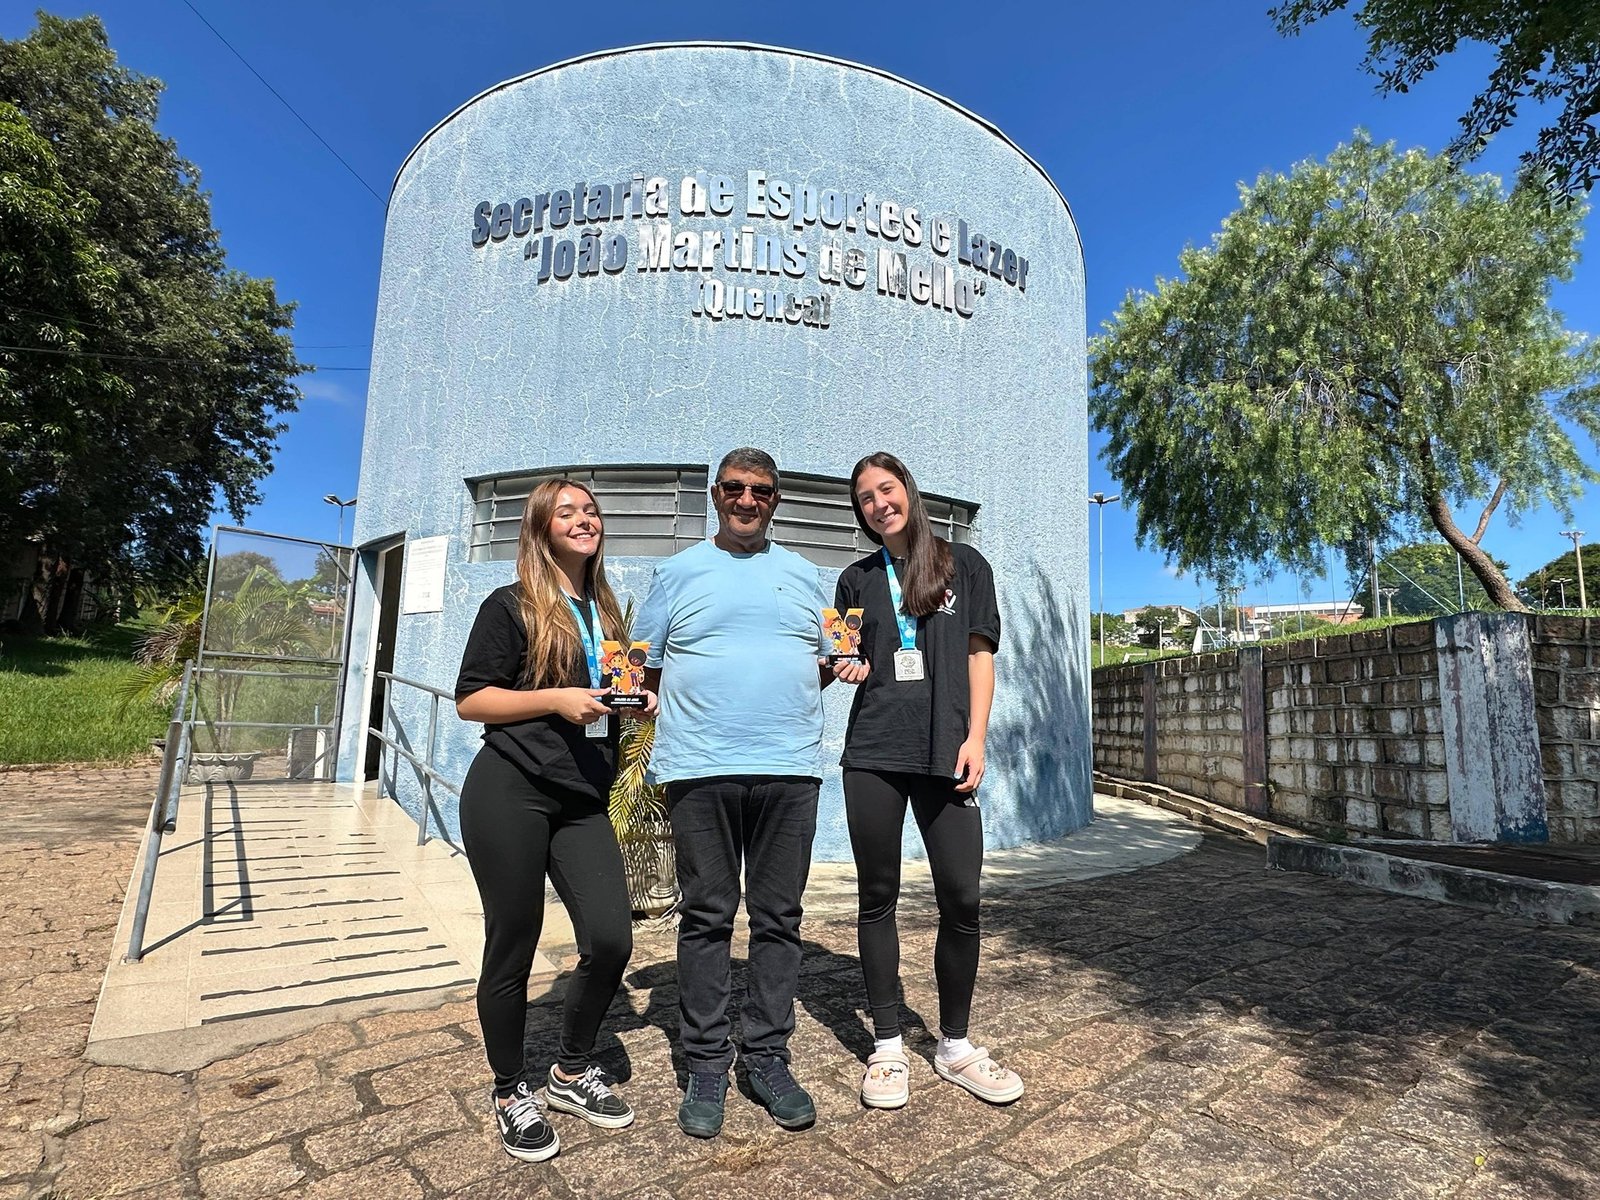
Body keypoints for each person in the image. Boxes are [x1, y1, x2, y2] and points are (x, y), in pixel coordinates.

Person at [454, 478, 655, 1161]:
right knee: (513, 941)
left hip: (580, 797)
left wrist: (636, 704)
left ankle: (569, 1072)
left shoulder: (605, 615)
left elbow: (605, 701)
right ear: (541, 530)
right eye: (566, 512)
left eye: (591, 510)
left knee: (612, 938)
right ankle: (511, 1092)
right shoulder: (510, 606)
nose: (583, 519)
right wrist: (556, 699)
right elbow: (472, 700)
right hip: (509, 789)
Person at [635, 447, 830, 1139]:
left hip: (790, 769)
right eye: (735, 489)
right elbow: (641, 668)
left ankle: (768, 1059)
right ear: (715, 494)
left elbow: (829, 663)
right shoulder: (676, 572)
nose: (748, 501)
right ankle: (708, 1064)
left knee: (779, 919)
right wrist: (638, 706)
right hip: (699, 769)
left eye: (763, 492)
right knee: (707, 917)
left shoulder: (809, 576)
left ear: (777, 500)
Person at [829, 452, 1023, 1109]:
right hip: (875, 753)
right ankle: (886, 1046)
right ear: (859, 513)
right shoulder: (855, 579)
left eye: (887, 490)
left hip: (948, 751)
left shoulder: (965, 566)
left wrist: (976, 738)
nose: (878, 503)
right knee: (877, 895)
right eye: (865, 498)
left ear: (907, 491)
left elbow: (979, 655)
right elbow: (843, 660)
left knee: (962, 899)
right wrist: (841, 669)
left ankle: (955, 1046)